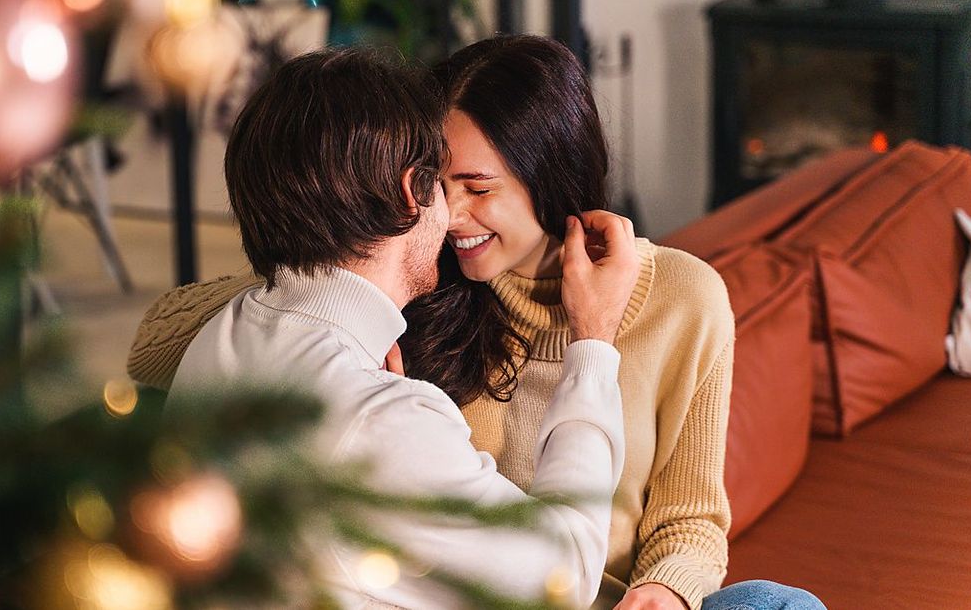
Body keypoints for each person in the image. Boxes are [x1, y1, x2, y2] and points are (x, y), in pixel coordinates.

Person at [163, 47, 642, 607]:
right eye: (442, 182)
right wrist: (592, 342)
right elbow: (564, 576)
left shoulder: (223, 333)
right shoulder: (381, 419)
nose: (454, 213)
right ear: (411, 191)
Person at [398, 35, 823, 610]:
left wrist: (664, 590)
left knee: (776, 604)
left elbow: (690, 517)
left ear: (551, 173)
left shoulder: (684, 299)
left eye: (477, 188)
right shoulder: (415, 287)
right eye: (435, 186)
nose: (448, 216)